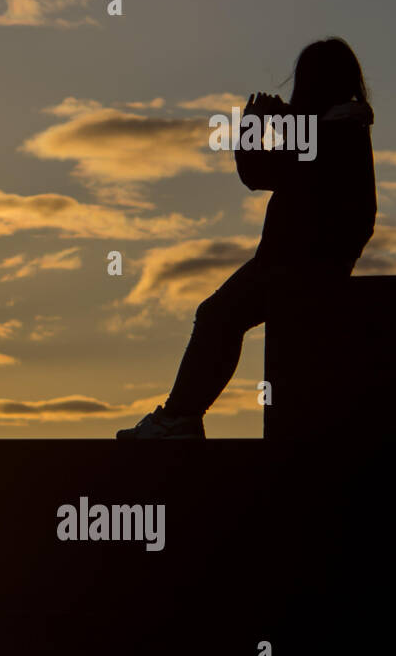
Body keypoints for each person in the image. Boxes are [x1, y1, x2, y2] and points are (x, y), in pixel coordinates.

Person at [118, 38, 377, 439]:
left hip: (294, 266)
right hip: (302, 264)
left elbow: (260, 174)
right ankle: (181, 416)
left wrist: (256, 124)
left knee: (217, 317)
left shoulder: (336, 133)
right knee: (221, 318)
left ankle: (180, 417)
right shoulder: (341, 130)